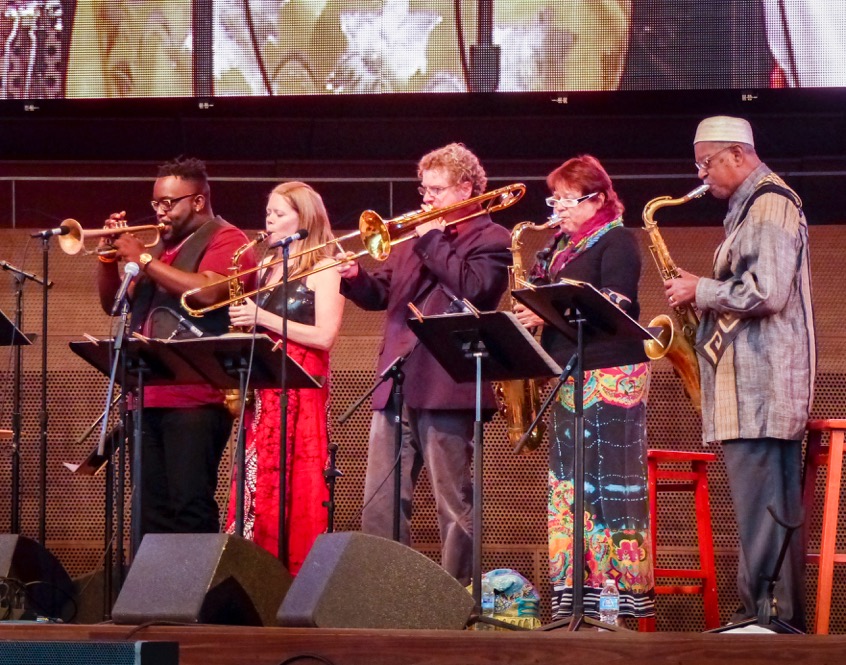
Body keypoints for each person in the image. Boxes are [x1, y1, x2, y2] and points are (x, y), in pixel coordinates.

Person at [336, 142, 511, 586]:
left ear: (466, 189)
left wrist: (433, 237)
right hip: (395, 377)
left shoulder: (491, 238)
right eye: (424, 188)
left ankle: (458, 593)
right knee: (381, 499)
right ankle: (384, 590)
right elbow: (382, 295)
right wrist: (355, 279)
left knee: (451, 501)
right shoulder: (412, 240)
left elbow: (475, 290)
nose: (426, 198)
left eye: (436, 189)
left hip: (446, 382)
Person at [664, 116, 815, 630]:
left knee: (766, 507)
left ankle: (771, 618)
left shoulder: (770, 204)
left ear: (737, 155)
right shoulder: (748, 207)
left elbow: (767, 291)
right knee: (756, 509)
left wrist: (699, 290)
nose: (701, 174)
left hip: (763, 386)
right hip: (748, 385)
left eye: (706, 162)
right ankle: (759, 613)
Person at [514, 155, 655, 622]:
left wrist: (546, 309)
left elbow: (615, 303)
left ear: (597, 199)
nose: (558, 208)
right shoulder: (558, 249)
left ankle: (614, 607)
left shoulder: (618, 240)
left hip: (612, 373)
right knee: (569, 489)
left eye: (567, 200)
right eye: (554, 199)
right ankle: (574, 601)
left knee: (609, 489)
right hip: (569, 372)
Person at [96, 156, 256, 536]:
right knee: (150, 510)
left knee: (189, 504)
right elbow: (114, 304)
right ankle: (155, 594)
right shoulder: (160, 248)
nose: (160, 212)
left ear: (198, 201)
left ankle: (197, 595)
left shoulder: (227, 239)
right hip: (147, 394)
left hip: (197, 397)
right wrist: (107, 258)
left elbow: (209, 291)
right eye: (156, 204)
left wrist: (144, 259)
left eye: (169, 203)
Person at [223, 181, 344, 573]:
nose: (268, 220)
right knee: (256, 487)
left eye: (278, 213)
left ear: (303, 219)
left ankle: (292, 579)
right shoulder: (269, 268)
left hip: (301, 392)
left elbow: (324, 336)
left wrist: (262, 317)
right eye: (268, 213)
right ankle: (254, 572)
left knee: (297, 487)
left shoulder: (326, 266)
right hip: (266, 391)